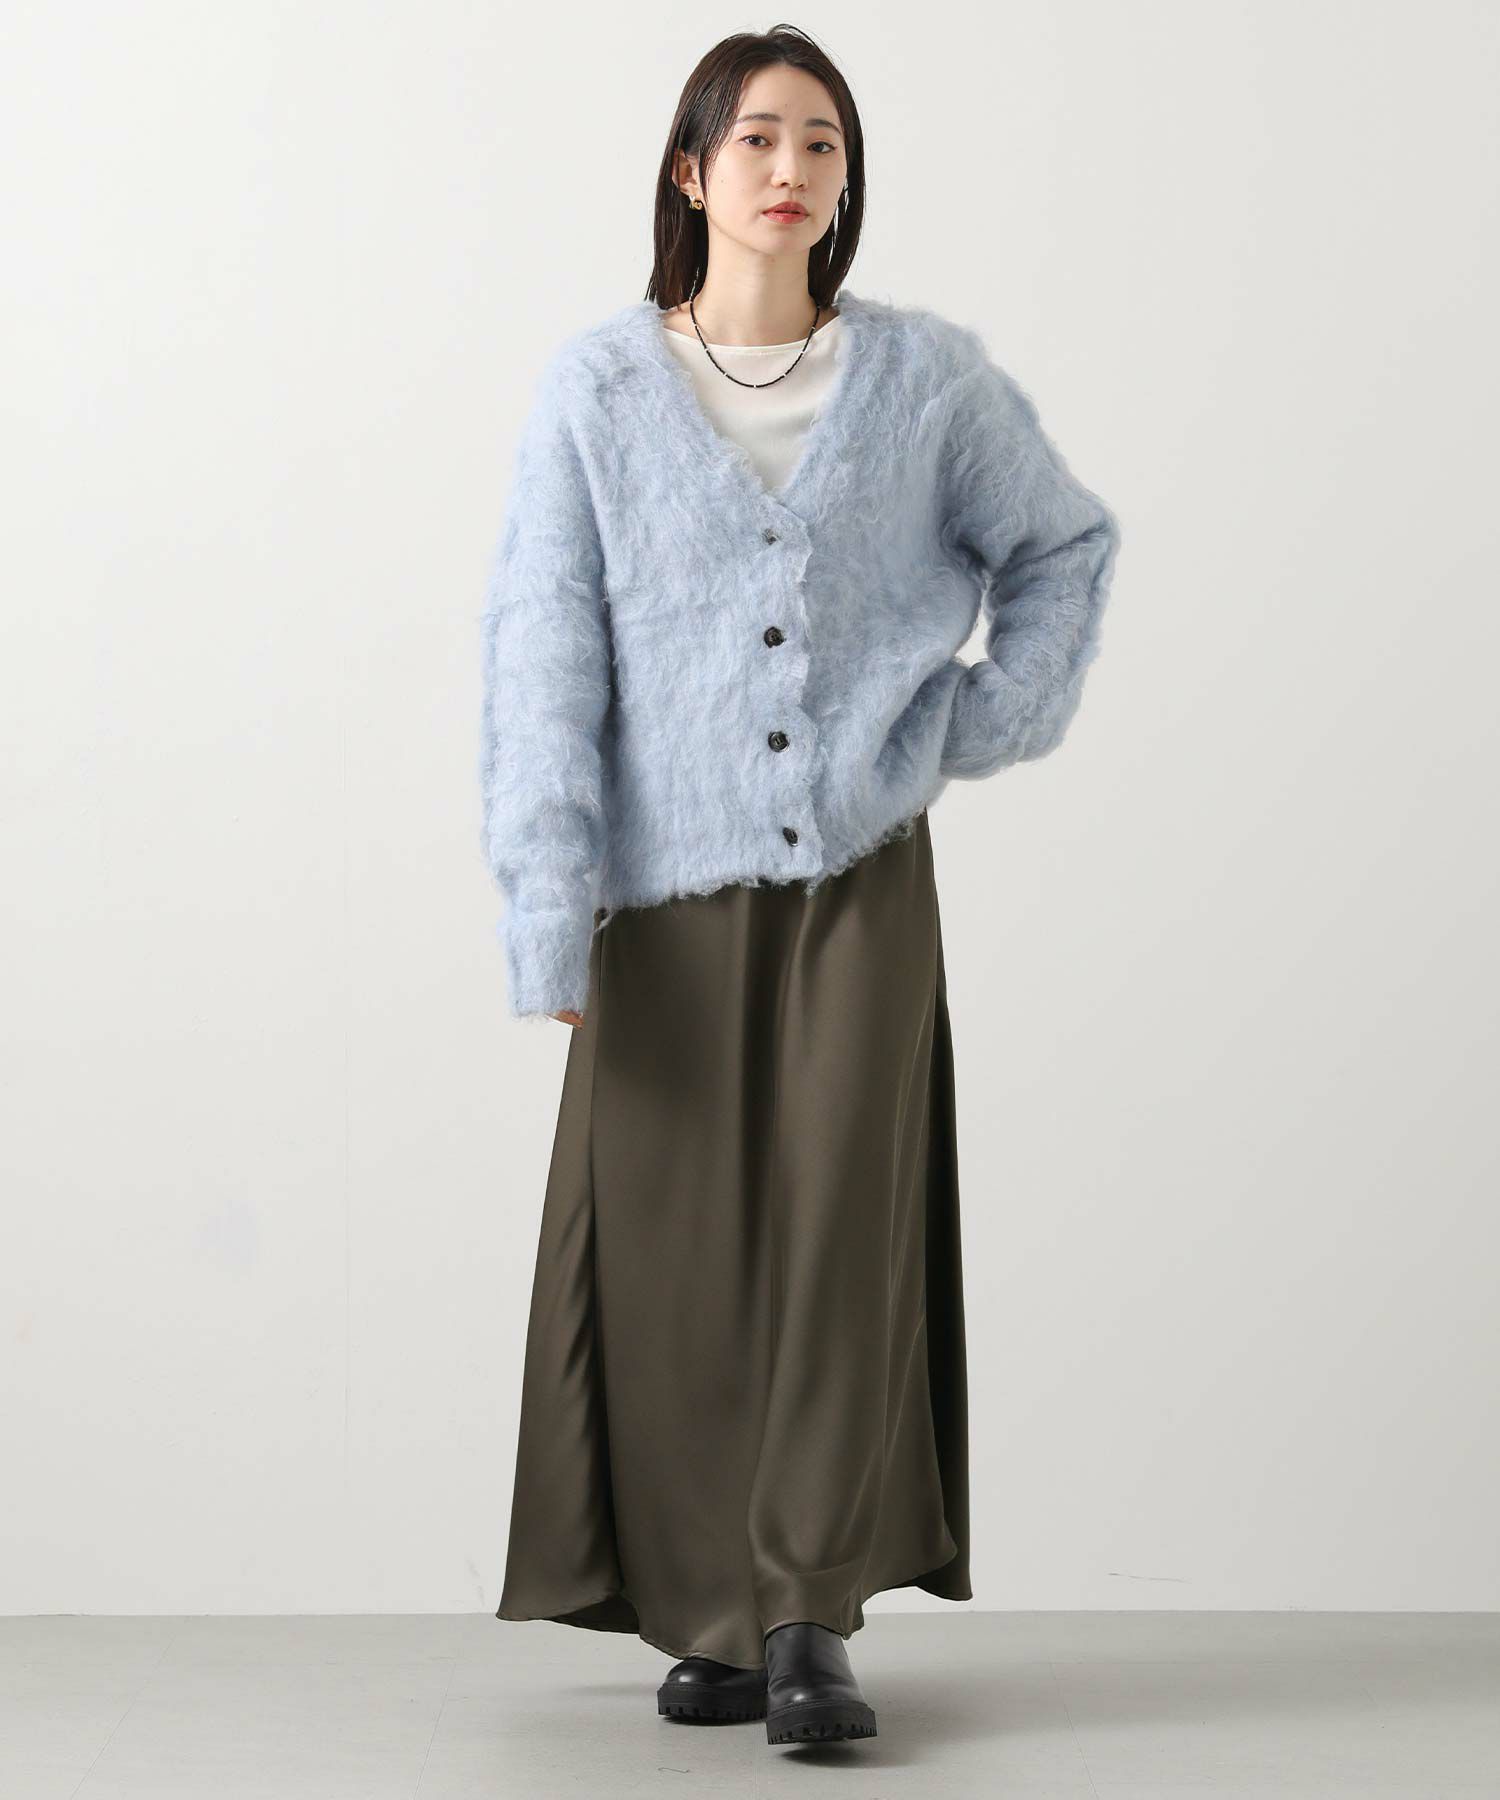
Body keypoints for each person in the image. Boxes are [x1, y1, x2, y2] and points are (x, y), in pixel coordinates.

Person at [478, 25, 1121, 1749]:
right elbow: (542, 657)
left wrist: (968, 721)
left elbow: (1061, 546)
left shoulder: (922, 385)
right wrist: (547, 899)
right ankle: (712, 1603)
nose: (791, 169)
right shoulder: (597, 391)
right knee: (680, 1254)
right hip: (659, 897)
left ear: (846, 183)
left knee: (841, 1234)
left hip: (859, 884)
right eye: (758, 138)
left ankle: (804, 1614)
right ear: (692, 173)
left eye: (822, 143)